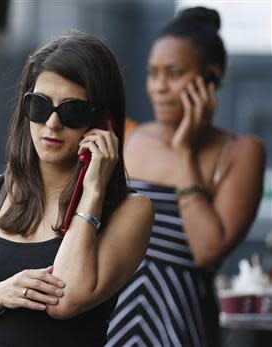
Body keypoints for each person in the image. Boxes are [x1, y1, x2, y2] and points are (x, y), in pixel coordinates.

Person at [0, 31, 154, 347]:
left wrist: (92, 191)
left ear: (103, 124)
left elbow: (65, 299)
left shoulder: (130, 210)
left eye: (71, 111)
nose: (51, 123)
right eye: (39, 105)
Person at [106, 7, 265, 347]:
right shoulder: (129, 138)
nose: (159, 87)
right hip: (110, 320)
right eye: (153, 73)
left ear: (211, 77)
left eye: (173, 73)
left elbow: (207, 250)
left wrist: (184, 152)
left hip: (181, 324)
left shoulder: (240, 151)